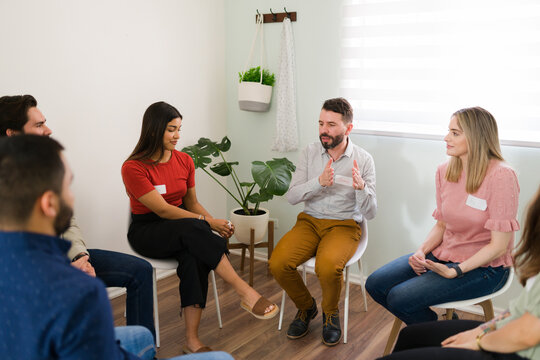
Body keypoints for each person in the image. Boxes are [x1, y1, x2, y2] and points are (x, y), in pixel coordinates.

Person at [0, 135, 235, 360]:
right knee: (221, 358)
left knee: (141, 335)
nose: (72, 198)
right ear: (48, 203)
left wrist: (79, 255)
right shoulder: (79, 290)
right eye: (68, 187)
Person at [121, 101, 279, 354]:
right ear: (153, 130)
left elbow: (192, 203)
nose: (178, 136)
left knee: (194, 256)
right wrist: (209, 223)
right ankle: (244, 291)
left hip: (185, 229)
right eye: (171, 129)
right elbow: (162, 209)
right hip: (148, 231)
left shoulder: (184, 161)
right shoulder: (134, 167)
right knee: (195, 229)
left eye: (179, 129)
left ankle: (191, 341)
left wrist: (212, 223)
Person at [0, 94, 156, 341]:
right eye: (39, 125)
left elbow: (67, 221)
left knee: (140, 270)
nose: (49, 130)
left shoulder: (43, 168)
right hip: (35, 277)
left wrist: (80, 257)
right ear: (13, 134)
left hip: (65, 257)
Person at [366, 106, 520, 325]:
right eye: (448, 131)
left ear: (477, 137)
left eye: (455, 133)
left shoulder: (502, 176)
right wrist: (421, 252)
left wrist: (455, 271)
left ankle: (436, 337)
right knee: (375, 283)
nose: (446, 137)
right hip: (444, 255)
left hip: (485, 269)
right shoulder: (445, 171)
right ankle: (437, 330)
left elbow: (498, 246)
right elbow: (441, 225)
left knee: (399, 298)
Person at [378, 185, 540, 360]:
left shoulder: (501, 178)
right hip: (505, 332)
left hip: (519, 353)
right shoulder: (447, 172)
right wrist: (481, 330)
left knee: (399, 302)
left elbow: (527, 335)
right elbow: (516, 310)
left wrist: (478, 341)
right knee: (408, 336)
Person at [269, 97, 377, 346]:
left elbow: (370, 213)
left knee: (327, 267)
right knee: (278, 263)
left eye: (331, 124)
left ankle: (331, 314)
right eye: (320, 123)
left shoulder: (364, 159)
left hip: (344, 225)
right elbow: (292, 196)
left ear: (348, 128)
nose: (323, 130)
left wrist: (361, 188)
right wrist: (318, 181)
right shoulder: (309, 152)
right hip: (309, 221)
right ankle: (307, 308)